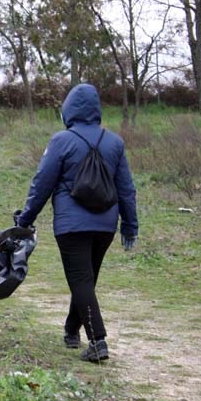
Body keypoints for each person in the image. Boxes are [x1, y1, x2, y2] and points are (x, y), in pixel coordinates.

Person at [15, 83, 138, 363]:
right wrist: (130, 225)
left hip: (71, 225)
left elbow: (42, 184)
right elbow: (126, 189)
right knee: (86, 279)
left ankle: (98, 341)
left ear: (68, 109)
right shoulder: (115, 143)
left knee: (81, 280)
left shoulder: (61, 141)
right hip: (106, 224)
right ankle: (72, 331)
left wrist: (25, 219)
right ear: (96, 110)